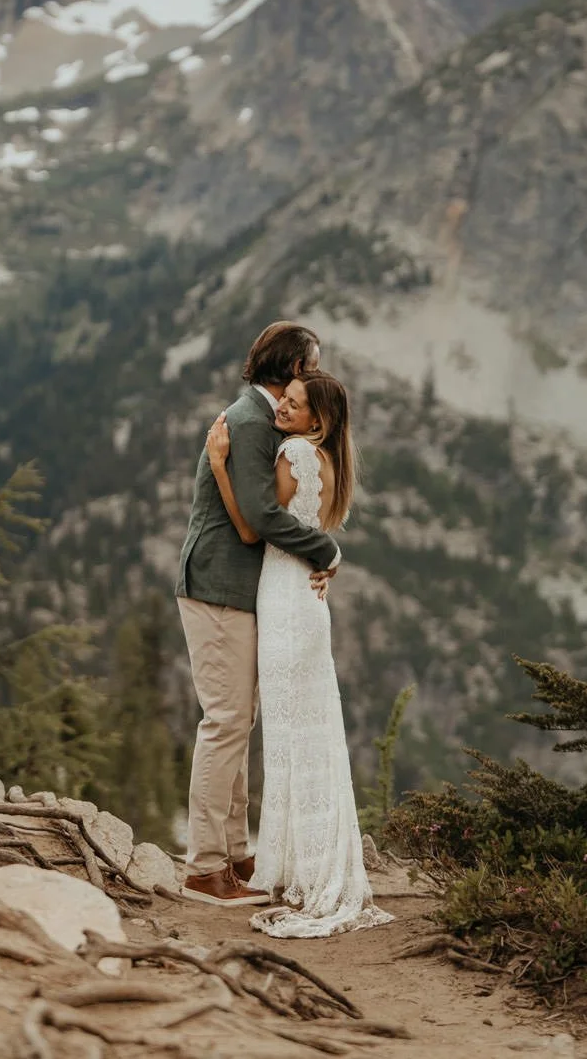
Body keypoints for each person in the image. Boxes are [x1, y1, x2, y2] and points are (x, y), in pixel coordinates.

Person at [205, 368, 392, 937]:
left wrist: (218, 464)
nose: (281, 410)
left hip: (287, 600)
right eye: (282, 400)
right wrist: (328, 557)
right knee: (308, 736)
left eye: (293, 403)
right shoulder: (329, 458)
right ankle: (305, 865)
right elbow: (304, 531)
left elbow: (252, 528)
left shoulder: (294, 453)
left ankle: (300, 873)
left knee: (289, 737)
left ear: (319, 418)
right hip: (303, 602)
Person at [173, 322, 340, 906]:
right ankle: (204, 868)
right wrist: (325, 549)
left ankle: (236, 854)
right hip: (218, 587)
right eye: (311, 366)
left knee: (238, 721)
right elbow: (261, 516)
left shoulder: (260, 419)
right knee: (224, 722)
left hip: (239, 591)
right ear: (293, 369)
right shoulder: (247, 423)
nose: (314, 376)